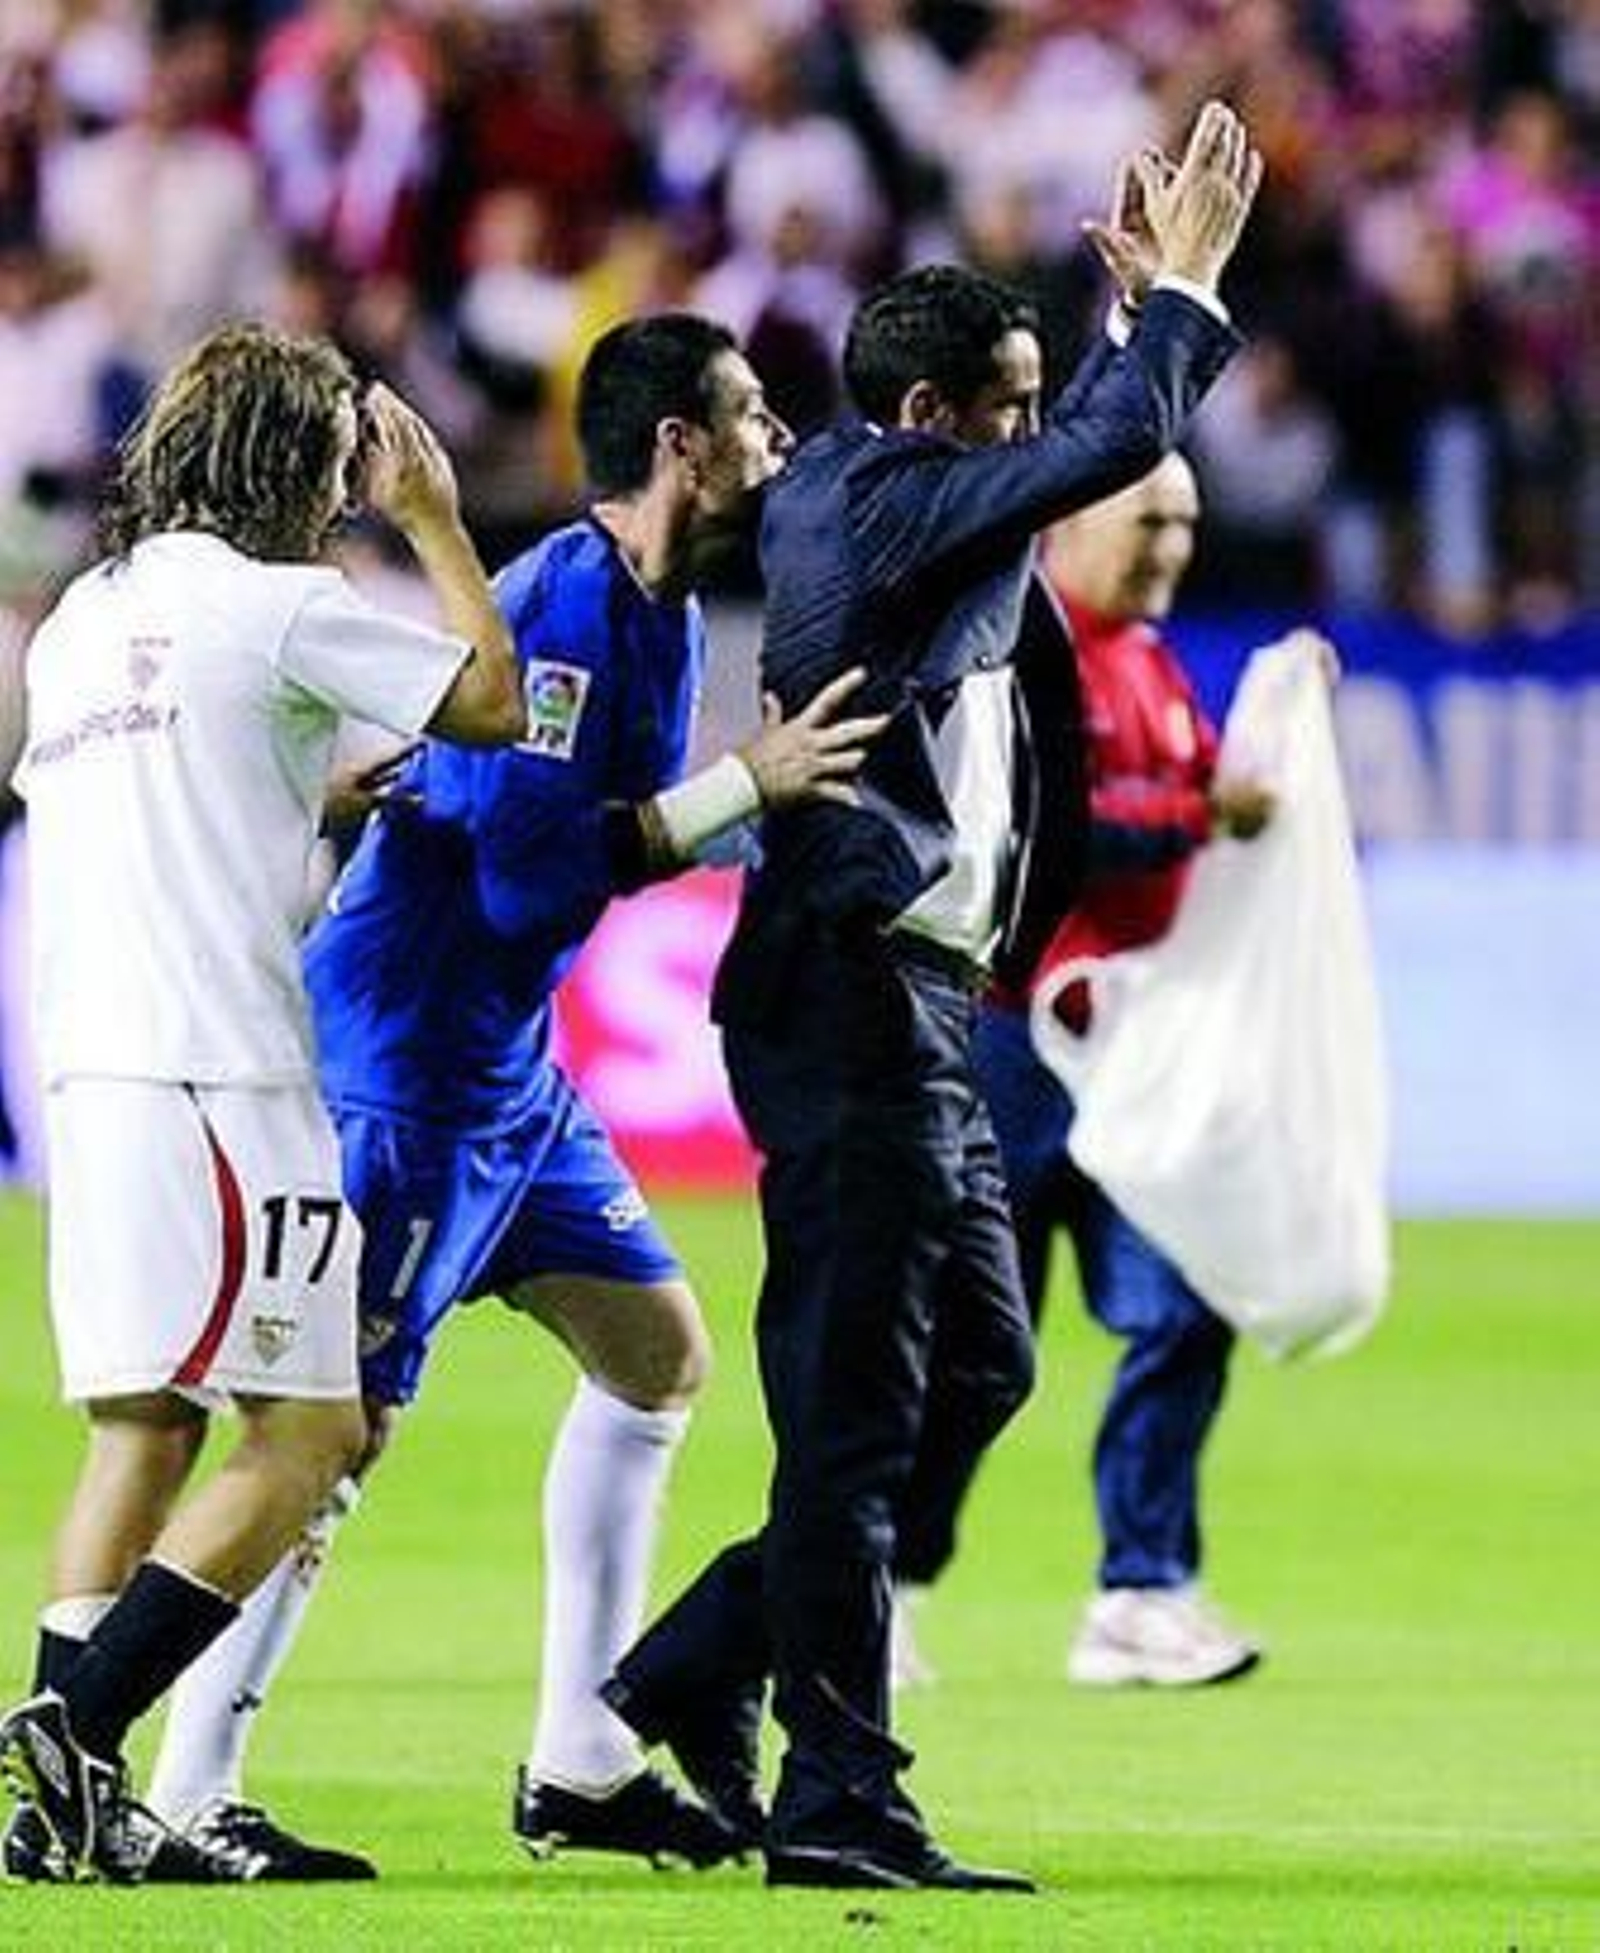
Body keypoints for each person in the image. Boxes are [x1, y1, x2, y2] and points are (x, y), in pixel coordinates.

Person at [119, 312, 882, 1881]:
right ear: (680, 443)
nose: (779, 442)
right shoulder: (556, 618)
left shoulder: (655, 605)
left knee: (657, 1357)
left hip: (507, 1073)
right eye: (753, 415)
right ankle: (194, 1786)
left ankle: (581, 1762)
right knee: (331, 1432)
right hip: (402, 1073)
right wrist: (751, 787)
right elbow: (537, 881)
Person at [601, 102, 1263, 1892]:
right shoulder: (880, 497)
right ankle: (838, 1801)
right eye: (1012, 405)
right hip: (846, 998)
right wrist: (1178, 304)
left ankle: (689, 1665)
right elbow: (1112, 449)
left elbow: (1087, 445)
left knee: (979, 1358)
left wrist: (1124, 330)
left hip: (929, 1004)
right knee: (861, 1410)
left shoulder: (903, 499)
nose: (1040, 439)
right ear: (923, 424)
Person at [0, 321, 526, 1885]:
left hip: (86, 1074)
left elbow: (162, 796)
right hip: (222, 1072)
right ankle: (76, 1727)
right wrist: (431, 517)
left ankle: (62, 1819)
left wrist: (309, 794)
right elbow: (495, 702)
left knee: (143, 1429)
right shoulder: (291, 603)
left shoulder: (81, 621)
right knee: (311, 1432)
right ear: (303, 471)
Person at [891, 452, 1278, 1691]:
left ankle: (1140, 1591)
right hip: (1011, 1043)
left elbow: (1211, 796)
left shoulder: (1154, 664)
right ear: (1069, 523)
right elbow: (1045, 834)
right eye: (1148, 518)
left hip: (1130, 1050)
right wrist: (1198, 818)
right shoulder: (1024, 649)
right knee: (973, 1341)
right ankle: (884, 1583)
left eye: (1185, 522)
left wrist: (1286, 716)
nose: (1171, 545)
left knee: (1182, 1300)